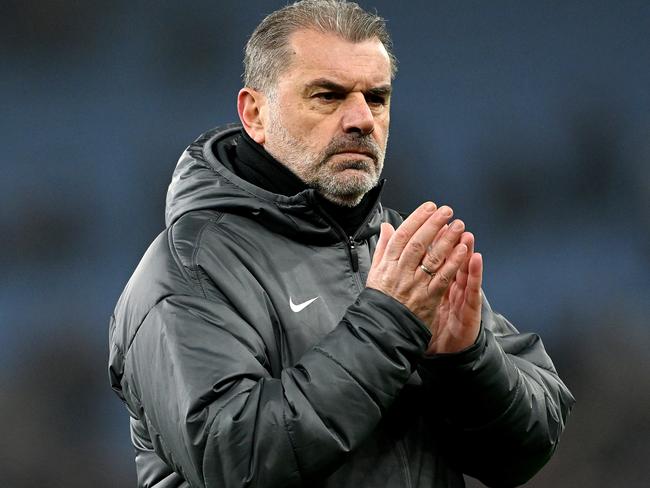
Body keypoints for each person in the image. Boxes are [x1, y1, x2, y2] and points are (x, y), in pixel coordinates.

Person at [108, 1, 574, 487]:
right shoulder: (189, 268)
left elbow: (527, 448)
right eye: (328, 96)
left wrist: (466, 360)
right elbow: (235, 459)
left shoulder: (400, 252)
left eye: (376, 98)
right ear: (254, 113)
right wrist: (388, 324)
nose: (361, 120)